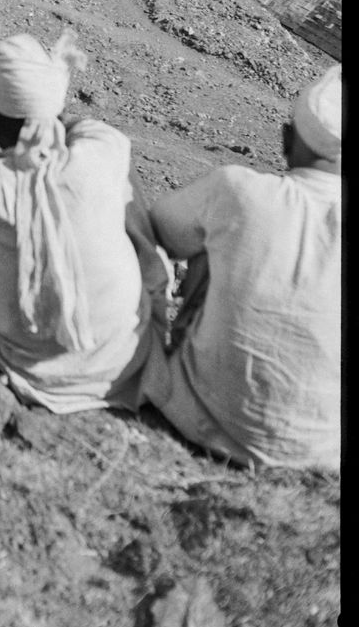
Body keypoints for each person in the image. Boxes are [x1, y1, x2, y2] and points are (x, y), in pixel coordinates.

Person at [0, 32, 163, 414]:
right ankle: (154, 283)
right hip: (124, 355)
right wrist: (45, 110)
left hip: (38, 369)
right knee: (122, 179)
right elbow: (84, 128)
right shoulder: (101, 151)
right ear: (56, 107)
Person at [139, 65, 341, 470]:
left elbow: (162, 230)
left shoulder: (240, 190)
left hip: (194, 414)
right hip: (317, 454)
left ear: (287, 139)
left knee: (213, 240)